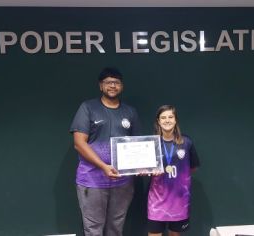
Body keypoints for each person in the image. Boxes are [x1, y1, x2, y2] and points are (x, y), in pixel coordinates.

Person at [70, 67, 141, 236]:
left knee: (116, 227)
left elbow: (138, 145)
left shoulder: (130, 112)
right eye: (108, 82)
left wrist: (144, 166)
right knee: (93, 229)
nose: (112, 86)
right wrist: (103, 166)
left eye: (116, 82)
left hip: (122, 181)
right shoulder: (87, 107)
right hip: (92, 180)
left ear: (121, 86)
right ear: (101, 86)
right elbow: (79, 144)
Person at [147, 105, 200, 236]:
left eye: (170, 117)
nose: (167, 120)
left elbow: (193, 167)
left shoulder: (186, 142)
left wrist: (180, 178)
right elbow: (145, 168)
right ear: (158, 121)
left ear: (176, 120)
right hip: (157, 200)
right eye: (163, 117)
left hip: (179, 201)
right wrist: (148, 171)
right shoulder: (150, 144)